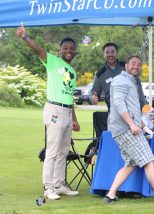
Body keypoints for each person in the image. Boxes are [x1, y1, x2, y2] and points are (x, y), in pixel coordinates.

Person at [17, 23, 80, 200]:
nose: (69, 50)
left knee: (63, 151)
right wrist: (25, 37)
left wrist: (74, 119)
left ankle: (59, 184)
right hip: (54, 109)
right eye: (65, 48)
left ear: (75, 51)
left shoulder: (72, 71)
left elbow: (70, 97)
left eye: (72, 49)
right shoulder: (52, 61)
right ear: (60, 50)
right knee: (52, 150)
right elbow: (38, 49)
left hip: (67, 111)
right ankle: (48, 187)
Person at [104, 55, 154, 204]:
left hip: (126, 127)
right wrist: (132, 125)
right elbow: (119, 104)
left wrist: (144, 124)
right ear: (126, 65)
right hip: (125, 128)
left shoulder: (132, 81)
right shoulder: (120, 80)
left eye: (139, 64)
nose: (136, 66)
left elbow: (136, 107)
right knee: (149, 160)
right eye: (133, 63)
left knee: (131, 164)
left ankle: (110, 194)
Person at [91, 42, 145, 110]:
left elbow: (137, 84)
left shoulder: (127, 66)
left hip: (132, 110)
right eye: (107, 52)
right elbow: (94, 93)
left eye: (113, 52)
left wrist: (143, 106)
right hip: (114, 113)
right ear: (104, 54)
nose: (110, 54)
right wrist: (93, 98)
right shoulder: (100, 74)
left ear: (116, 53)